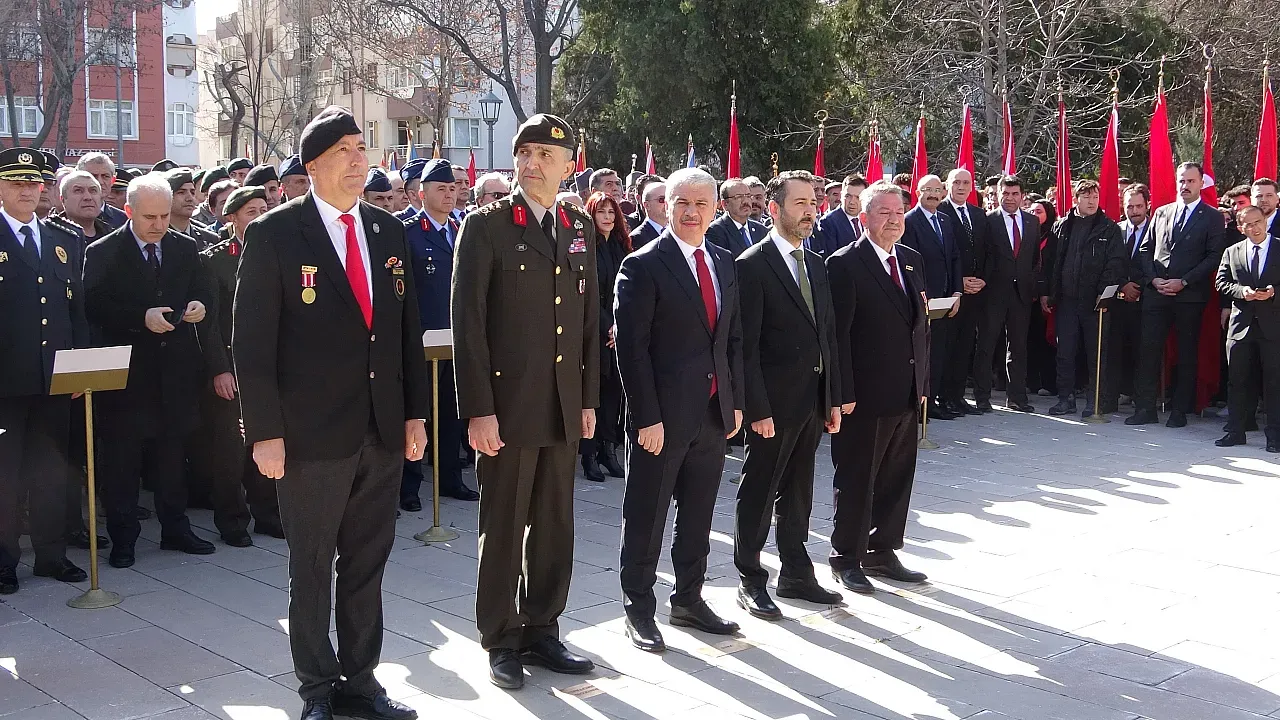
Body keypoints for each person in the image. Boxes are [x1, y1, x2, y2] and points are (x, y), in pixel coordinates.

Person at [233, 106, 427, 720]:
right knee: (313, 566)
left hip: (380, 428)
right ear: (312, 166)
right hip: (310, 434)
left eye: (361, 148)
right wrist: (265, 432)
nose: (357, 160)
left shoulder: (386, 230)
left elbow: (405, 331)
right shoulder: (275, 233)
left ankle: (361, 681)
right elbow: (252, 344)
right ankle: (317, 688)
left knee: (367, 563)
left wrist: (414, 415)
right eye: (343, 150)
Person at [452, 113, 599, 690]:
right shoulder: (487, 224)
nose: (533, 164)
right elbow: (468, 325)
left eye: (546, 155)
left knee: (556, 524)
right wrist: (479, 410)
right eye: (525, 153)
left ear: (568, 165)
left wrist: (587, 398)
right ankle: (501, 637)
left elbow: (587, 322)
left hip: (562, 403)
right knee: (505, 525)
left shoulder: (577, 224)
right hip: (508, 407)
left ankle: (543, 627)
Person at [613, 167, 744, 651]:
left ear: (715, 209)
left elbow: (732, 339)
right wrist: (646, 417)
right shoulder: (643, 265)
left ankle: (688, 599)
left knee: (698, 515)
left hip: (711, 414)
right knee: (646, 516)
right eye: (682, 203)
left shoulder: (724, 261)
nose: (692, 213)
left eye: (701, 204)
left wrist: (735, 403)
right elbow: (631, 350)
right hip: (661, 419)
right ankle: (638, 609)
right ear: (666, 207)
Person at [82, 173, 218, 569]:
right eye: (149, 218)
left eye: (163, 216)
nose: (158, 225)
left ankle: (175, 529)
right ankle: (123, 538)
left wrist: (199, 306)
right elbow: (94, 305)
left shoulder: (185, 247)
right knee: (122, 462)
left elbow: (204, 290)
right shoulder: (104, 250)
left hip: (174, 373)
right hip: (127, 375)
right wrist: (140, 317)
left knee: (172, 458)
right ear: (129, 211)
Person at [733, 170, 843, 619]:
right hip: (772, 407)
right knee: (760, 491)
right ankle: (749, 578)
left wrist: (832, 396)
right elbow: (746, 345)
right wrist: (757, 407)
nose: (810, 211)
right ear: (774, 209)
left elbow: (827, 335)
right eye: (800, 203)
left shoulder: (816, 263)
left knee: (799, 491)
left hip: (811, 402)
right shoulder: (751, 264)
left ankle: (796, 573)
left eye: (813, 203)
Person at [825, 179, 929, 595]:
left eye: (899, 212)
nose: (894, 220)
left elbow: (920, 326)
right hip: (863, 397)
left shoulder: (911, 260)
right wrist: (842, 393)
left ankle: (882, 550)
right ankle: (846, 557)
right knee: (857, 478)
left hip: (905, 391)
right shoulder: (844, 263)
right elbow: (837, 336)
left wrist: (922, 382)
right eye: (884, 212)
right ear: (864, 217)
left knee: (896, 477)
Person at [0, 148, 90, 594]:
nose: (26, 191)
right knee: (6, 476)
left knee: (51, 472)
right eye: (16, 183)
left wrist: (79, 368)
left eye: (33, 183)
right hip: (5, 384)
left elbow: (77, 312)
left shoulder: (63, 240)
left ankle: (51, 556)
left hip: (55, 380)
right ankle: (3, 562)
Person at [191, 185, 284, 545]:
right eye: (250, 212)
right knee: (230, 450)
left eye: (263, 209)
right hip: (230, 366)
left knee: (266, 436)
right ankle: (231, 520)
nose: (259, 217)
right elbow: (209, 323)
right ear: (231, 218)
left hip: (268, 367)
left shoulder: (276, 253)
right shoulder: (213, 260)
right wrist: (219, 368)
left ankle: (267, 513)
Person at [401, 158, 479, 507]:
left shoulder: (463, 229)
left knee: (450, 411)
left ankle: (449, 478)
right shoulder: (408, 232)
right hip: (421, 339)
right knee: (417, 411)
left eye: (453, 188)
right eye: (441, 189)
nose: (449, 195)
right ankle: (409, 486)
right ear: (421, 194)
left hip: (455, 337)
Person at [1126, 162, 1227, 428]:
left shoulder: (1212, 217)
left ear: (1201, 183)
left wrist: (1184, 281)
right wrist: (1153, 279)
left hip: (1189, 296)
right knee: (1148, 351)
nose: (1185, 186)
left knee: (1186, 353)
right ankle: (1145, 408)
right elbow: (1146, 249)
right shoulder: (1162, 212)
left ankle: (1180, 411)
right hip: (1157, 293)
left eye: (1191, 181)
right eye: (1182, 180)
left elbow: (1213, 257)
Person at [1041, 180, 1127, 418]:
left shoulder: (1109, 228)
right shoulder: (1061, 226)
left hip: (1095, 302)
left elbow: (1115, 263)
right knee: (1065, 352)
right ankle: (1065, 399)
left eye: (1095, 197)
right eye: (1087, 197)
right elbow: (1050, 263)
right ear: (1076, 199)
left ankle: (1095, 401)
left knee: (1096, 353)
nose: (1092, 201)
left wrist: (1103, 291)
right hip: (1067, 300)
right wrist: (1047, 292)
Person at [1215, 205, 1280, 451]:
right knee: (1237, 380)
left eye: (1258, 222)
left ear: (1265, 221)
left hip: (1273, 326)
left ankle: (1274, 437)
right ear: (1241, 228)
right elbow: (1221, 282)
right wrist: (1242, 291)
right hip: (1241, 325)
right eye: (1248, 225)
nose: (1254, 228)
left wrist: (1273, 293)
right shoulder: (1232, 251)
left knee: (1274, 382)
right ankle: (1236, 431)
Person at [974, 175, 1041, 412]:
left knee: (1018, 347)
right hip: (992, 293)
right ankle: (982, 398)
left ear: (1022, 195)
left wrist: (1031, 283)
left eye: (1015, 194)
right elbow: (981, 255)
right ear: (998, 194)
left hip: (1021, 293)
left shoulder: (1032, 222)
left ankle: (1017, 398)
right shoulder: (987, 220)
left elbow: (1034, 258)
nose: (1010, 198)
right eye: (1006, 193)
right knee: (986, 345)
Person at [900, 174, 963, 421]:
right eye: (928, 190)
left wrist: (957, 291)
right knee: (922, 355)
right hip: (923, 299)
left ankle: (933, 401)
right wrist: (921, 295)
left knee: (939, 353)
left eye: (938, 190)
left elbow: (955, 257)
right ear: (918, 192)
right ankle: (919, 405)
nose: (933, 195)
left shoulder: (945, 220)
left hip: (946, 300)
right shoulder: (909, 221)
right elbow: (910, 262)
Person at [578, 191, 630, 483]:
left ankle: (608, 451)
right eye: (602, 212)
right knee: (593, 394)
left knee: (613, 394)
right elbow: (586, 293)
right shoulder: (586, 246)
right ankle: (589, 455)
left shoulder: (622, 245)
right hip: (594, 332)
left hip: (617, 332)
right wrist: (607, 326)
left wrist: (619, 326)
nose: (607, 217)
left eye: (612, 212)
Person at [936, 169, 990, 415]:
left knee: (965, 346)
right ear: (947, 185)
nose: (961, 187)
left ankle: (957, 397)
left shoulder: (979, 215)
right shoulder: (940, 212)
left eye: (966, 183)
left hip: (976, 292)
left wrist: (983, 280)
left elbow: (988, 251)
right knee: (947, 346)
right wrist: (959, 282)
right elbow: (943, 255)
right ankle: (942, 397)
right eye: (956, 182)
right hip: (951, 292)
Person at [1109, 184, 1151, 408]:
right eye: (1129, 206)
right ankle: (1120, 391)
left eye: (1138, 206)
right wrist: (1123, 285)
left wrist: (1139, 286)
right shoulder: (1116, 230)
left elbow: (1159, 262)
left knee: (1142, 349)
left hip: (1146, 300)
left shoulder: (1156, 229)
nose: (1134, 211)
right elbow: (1111, 262)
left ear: (1147, 205)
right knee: (1117, 348)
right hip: (1119, 299)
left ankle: (1141, 394)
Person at [1027, 199, 1059, 399]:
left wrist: (1046, 292)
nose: (1034, 215)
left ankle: (1048, 382)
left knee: (1046, 341)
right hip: (1027, 296)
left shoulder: (1054, 237)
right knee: (1028, 340)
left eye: (1038, 211)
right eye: (1031, 211)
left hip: (1046, 296)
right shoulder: (1026, 234)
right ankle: (1031, 381)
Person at [706, 177, 768, 256]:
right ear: (725, 204)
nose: (745, 201)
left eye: (748, 196)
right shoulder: (715, 231)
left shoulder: (761, 229)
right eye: (739, 197)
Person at [165, 169, 219, 250]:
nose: (190, 198)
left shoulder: (209, 239)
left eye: (192, 192)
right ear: (167, 197)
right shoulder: (157, 238)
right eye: (181, 192)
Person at [815, 174, 867, 256]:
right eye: (848, 196)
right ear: (841, 195)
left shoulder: (869, 219)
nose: (852, 202)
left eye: (857, 197)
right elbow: (831, 257)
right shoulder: (828, 222)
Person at [76, 152, 128, 230]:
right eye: (93, 176)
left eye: (105, 176)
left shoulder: (124, 220)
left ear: (113, 180)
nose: (100, 182)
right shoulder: (67, 216)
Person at [629, 180, 667, 248]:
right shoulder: (636, 238)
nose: (667, 204)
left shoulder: (677, 233)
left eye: (669, 199)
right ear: (647, 205)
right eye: (661, 199)